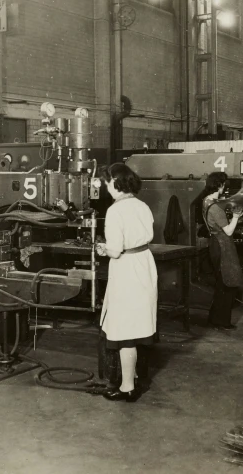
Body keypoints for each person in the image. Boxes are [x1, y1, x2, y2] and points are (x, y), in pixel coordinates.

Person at [95, 163, 157, 403]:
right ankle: (135, 378)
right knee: (138, 325)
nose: (106, 187)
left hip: (126, 269)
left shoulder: (115, 210)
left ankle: (127, 387)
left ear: (115, 182)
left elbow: (115, 249)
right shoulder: (142, 205)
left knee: (124, 332)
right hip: (144, 264)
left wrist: (102, 249)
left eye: (107, 182)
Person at [202, 172, 243, 329]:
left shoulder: (206, 201)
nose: (224, 188)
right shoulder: (216, 208)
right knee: (228, 282)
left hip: (214, 243)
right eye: (224, 185)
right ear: (219, 185)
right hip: (223, 245)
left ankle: (214, 318)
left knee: (221, 282)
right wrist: (235, 217)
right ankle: (222, 321)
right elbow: (228, 231)